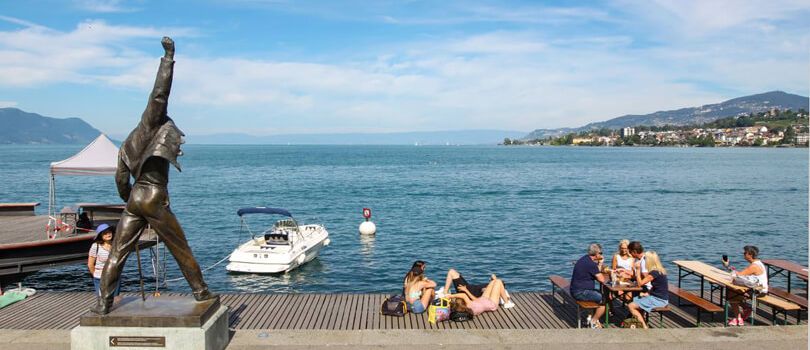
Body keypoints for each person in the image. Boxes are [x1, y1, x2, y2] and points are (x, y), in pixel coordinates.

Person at [92, 37, 216, 315]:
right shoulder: (152, 123)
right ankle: (200, 290)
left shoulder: (126, 144)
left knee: (117, 254)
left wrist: (130, 200)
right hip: (153, 195)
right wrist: (168, 58)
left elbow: (121, 179)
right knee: (179, 246)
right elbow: (159, 93)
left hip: (135, 198)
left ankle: (103, 303)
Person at [723, 245, 768, 326]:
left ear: (750, 255)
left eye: (745, 253)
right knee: (732, 292)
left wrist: (727, 266)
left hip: (758, 291)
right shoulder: (758, 263)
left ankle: (738, 318)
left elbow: (738, 275)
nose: (743, 254)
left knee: (731, 294)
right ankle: (745, 309)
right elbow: (740, 275)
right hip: (759, 289)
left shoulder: (754, 266)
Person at [626, 251, 669, 329]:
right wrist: (648, 293)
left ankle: (644, 326)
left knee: (631, 306)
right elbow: (656, 286)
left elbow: (640, 283)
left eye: (645, 259)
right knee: (636, 299)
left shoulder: (654, 273)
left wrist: (638, 270)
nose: (644, 261)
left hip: (659, 300)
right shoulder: (660, 270)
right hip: (660, 297)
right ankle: (641, 321)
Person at [570, 243, 608, 328]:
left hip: (576, 289)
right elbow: (602, 279)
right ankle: (593, 322)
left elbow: (595, 272)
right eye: (601, 253)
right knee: (604, 300)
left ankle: (592, 317)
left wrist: (598, 265)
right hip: (581, 292)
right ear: (596, 254)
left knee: (599, 293)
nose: (602, 254)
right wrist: (601, 264)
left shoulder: (584, 259)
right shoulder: (591, 264)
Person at [440, 269, 515, 308]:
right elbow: (493, 275)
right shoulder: (492, 284)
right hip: (468, 286)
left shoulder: (495, 292)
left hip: (466, 292)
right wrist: (494, 280)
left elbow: (482, 294)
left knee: (451, 272)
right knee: (452, 271)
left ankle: (445, 294)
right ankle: (445, 292)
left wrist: (465, 290)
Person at [449, 276, 513, 315]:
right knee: (498, 281)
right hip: (491, 303)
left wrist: (466, 290)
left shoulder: (470, 306)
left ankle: (495, 282)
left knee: (493, 282)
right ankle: (507, 303)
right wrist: (450, 296)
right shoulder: (469, 305)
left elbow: (475, 299)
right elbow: (463, 295)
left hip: (483, 298)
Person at [87, 224, 120, 297]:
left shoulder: (116, 244)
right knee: (102, 301)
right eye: (105, 233)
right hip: (100, 278)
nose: (108, 234)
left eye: (109, 232)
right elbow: (90, 264)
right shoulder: (96, 246)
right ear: (100, 236)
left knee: (115, 300)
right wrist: (96, 275)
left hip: (114, 277)